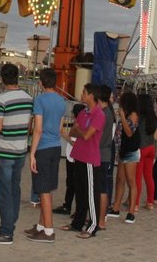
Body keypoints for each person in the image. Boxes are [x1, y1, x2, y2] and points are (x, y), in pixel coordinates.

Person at [0, 64, 33, 245]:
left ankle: (6, 231)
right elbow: (29, 125)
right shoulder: (28, 98)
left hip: (4, 151)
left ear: (2, 79)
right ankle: (10, 224)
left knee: (4, 192)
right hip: (20, 150)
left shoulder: (0, 99)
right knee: (14, 189)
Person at [25, 68, 66, 243]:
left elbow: (38, 129)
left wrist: (32, 153)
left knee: (42, 190)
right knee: (47, 188)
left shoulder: (40, 100)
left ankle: (48, 231)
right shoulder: (62, 100)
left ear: (41, 83)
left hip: (43, 147)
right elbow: (59, 127)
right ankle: (42, 226)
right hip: (56, 146)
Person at [62, 83, 105, 239]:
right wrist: (80, 130)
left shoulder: (98, 115)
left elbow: (86, 135)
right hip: (78, 155)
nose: (82, 94)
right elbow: (73, 130)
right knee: (79, 190)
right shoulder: (83, 112)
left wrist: (80, 130)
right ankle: (77, 222)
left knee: (91, 193)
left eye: (84, 92)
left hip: (89, 158)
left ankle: (93, 226)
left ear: (91, 95)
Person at [110, 92, 140, 223]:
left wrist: (122, 116)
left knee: (131, 181)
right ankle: (116, 207)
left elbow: (129, 132)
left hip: (130, 152)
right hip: (122, 151)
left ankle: (131, 211)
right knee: (120, 179)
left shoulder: (133, 115)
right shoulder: (126, 114)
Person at [53, 104, 86, 216]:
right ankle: (67, 205)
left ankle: (72, 207)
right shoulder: (77, 124)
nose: (71, 114)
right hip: (70, 156)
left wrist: (65, 136)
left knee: (75, 183)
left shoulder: (79, 126)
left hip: (75, 157)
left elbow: (76, 143)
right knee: (70, 182)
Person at [135, 93, 157, 211]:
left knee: (137, 177)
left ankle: (136, 204)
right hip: (151, 147)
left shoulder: (139, 118)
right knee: (149, 176)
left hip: (141, 148)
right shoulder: (153, 117)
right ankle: (150, 202)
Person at [96, 85, 114, 230]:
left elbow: (99, 138)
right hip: (103, 153)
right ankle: (99, 218)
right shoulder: (107, 112)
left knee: (101, 188)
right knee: (100, 188)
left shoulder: (104, 114)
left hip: (101, 154)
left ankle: (101, 219)